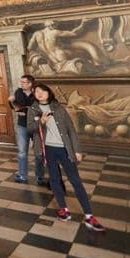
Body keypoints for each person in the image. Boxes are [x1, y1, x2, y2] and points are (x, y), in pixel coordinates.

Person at [28, 83, 105, 232]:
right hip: (48, 150)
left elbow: (71, 129)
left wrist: (77, 150)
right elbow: (30, 128)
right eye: (36, 92)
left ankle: (89, 216)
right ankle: (63, 209)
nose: (39, 94)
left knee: (75, 180)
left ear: (48, 93)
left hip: (64, 149)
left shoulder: (58, 108)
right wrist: (40, 122)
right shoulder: (33, 109)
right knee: (55, 179)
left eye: (42, 91)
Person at [8, 74, 46, 185]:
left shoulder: (37, 93)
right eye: (21, 82)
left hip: (36, 125)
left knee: (38, 152)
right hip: (22, 125)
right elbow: (16, 106)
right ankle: (22, 175)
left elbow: (39, 106)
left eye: (24, 82)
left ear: (30, 83)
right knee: (22, 152)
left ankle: (40, 177)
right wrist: (11, 102)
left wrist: (28, 111)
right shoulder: (18, 92)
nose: (22, 84)